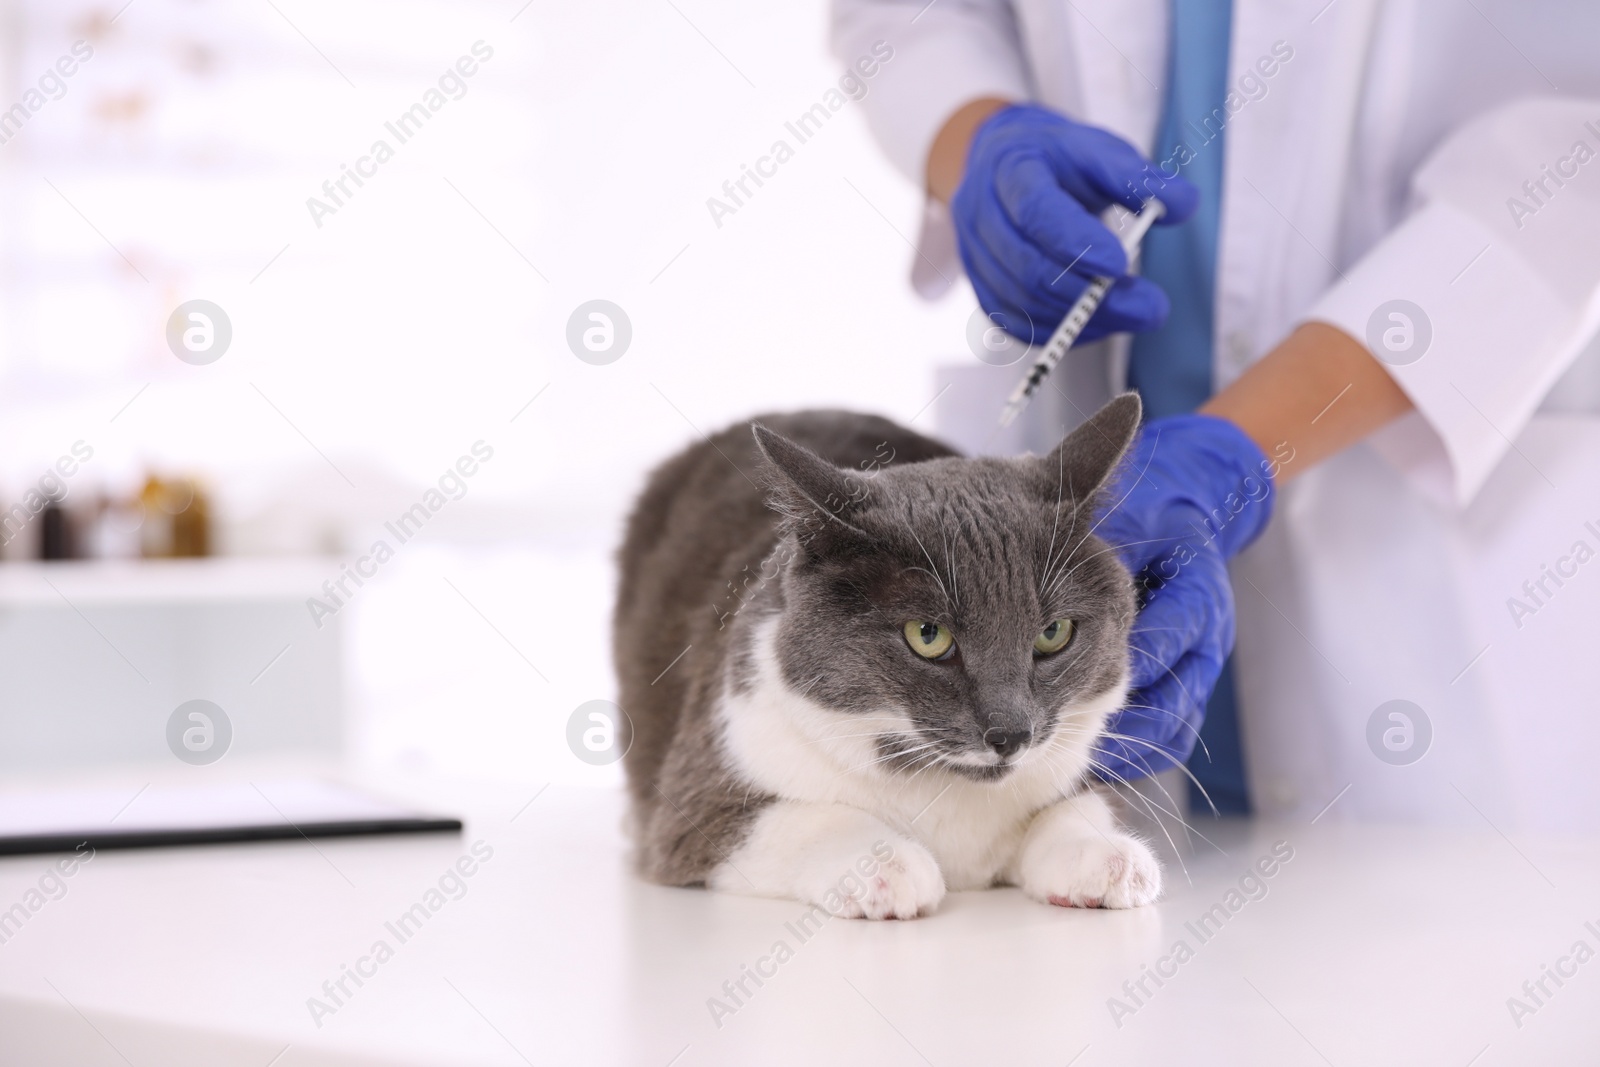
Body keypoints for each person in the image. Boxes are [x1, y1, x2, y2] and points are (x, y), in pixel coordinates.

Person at [832, 0, 1600, 830]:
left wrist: (1234, 455)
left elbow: (1574, 149)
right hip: (1093, 446)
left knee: (1430, 930)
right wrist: (976, 135)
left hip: (1419, 528)